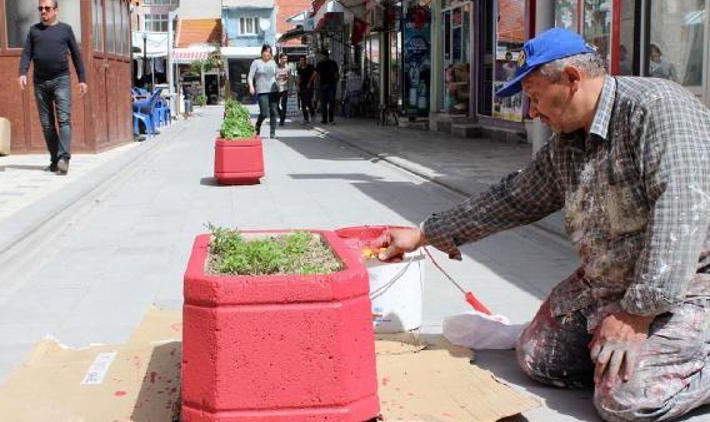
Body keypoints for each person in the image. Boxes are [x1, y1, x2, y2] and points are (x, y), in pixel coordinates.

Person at [378, 28, 710, 422]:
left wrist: (638, 315)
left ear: (572, 79)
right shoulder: (568, 141)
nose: (532, 112)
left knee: (626, 402)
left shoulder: (659, 108)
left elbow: (683, 212)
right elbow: (513, 198)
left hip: (688, 283)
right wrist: (424, 234)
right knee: (539, 358)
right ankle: (634, 355)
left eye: (535, 98)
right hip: (608, 282)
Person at [18, 0, 87, 175]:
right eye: (40, 8)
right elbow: (27, 53)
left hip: (61, 79)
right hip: (40, 82)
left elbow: (77, 56)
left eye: (47, 8)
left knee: (63, 119)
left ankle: (64, 158)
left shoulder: (65, 30)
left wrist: (82, 79)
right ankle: (55, 160)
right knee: (47, 124)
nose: (43, 11)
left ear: (56, 10)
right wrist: (22, 72)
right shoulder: (34, 31)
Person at [248, 44, 278, 139]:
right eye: (266, 51)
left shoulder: (273, 63)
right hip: (262, 91)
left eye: (269, 52)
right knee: (264, 113)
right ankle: (257, 126)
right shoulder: (256, 62)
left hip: (273, 90)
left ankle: (272, 133)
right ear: (262, 52)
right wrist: (251, 86)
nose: (267, 53)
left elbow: (277, 75)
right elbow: (250, 76)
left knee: (274, 111)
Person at [311, 49, 339, 125]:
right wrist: (315, 83)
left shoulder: (332, 63)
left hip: (330, 85)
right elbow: (316, 74)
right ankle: (325, 119)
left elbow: (336, 74)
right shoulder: (320, 64)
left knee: (330, 102)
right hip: (323, 85)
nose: (321, 57)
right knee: (324, 102)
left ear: (325, 55)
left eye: (322, 55)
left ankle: (330, 119)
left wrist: (336, 82)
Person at [296, 56, 315, 123]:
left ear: (305, 60)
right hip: (302, 87)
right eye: (301, 60)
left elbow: (314, 74)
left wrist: (310, 82)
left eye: (303, 60)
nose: (302, 61)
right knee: (303, 103)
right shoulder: (299, 68)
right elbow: (298, 77)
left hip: (309, 87)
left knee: (309, 102)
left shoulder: (310, 66)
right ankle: (306, 118)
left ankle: (312, 114)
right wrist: (297, 86)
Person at [275, 53, 291, 127]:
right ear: (280, 59)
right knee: (276, 105)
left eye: (286, 59)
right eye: (284, 58)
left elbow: (289, 78)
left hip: (285, 88)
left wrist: (290, 88)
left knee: (284, 105)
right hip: (277, 88)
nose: (285, 60)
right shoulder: (275, 67)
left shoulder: (288, 68)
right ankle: (280, 114)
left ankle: (282, 120)